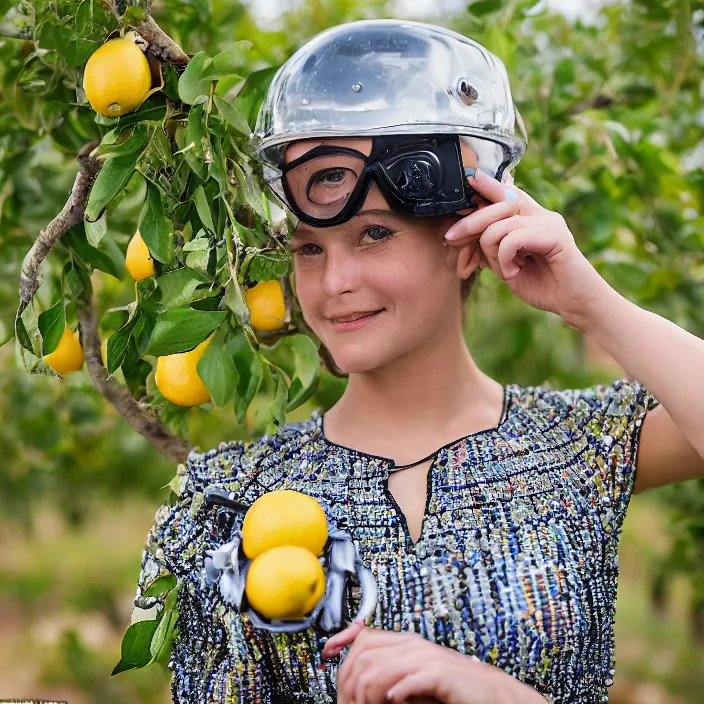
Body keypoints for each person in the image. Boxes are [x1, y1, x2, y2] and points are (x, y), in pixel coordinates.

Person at [131, 19, 704, 704]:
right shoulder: (224, 501)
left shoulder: (576, 448)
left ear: (467, 239)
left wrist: (588, 301)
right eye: (310, 247)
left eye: (374, 234)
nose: (333, 279)